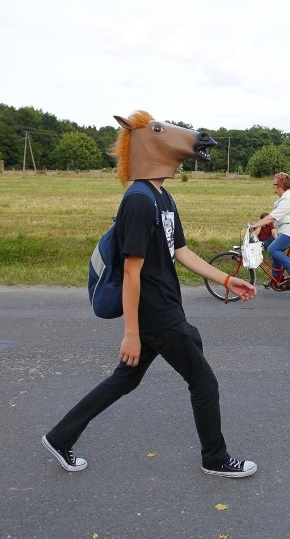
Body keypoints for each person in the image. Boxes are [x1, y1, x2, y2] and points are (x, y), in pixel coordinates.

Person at [43, 111, 258, 479]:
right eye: (159, 131)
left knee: (124, 380)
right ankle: (215, 457)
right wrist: (131, 332)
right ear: (147, 143)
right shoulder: (139, 201)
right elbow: (131, 270)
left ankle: (60, 437)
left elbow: (181, 252)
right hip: (156, 314)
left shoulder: (162, 196)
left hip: (161, 309)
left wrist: (226, 279)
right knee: (203, 382)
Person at [248, 172, 290, 287]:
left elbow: (271, 217)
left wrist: (256, 225)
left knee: (272, 249)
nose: (273, 186)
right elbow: (272, 217)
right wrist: (258, 223)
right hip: (288, 230)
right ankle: (276, 279)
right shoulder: (283, 199)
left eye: (275, 183)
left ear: (280, 185)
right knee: (275, 251)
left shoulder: (287, 200)